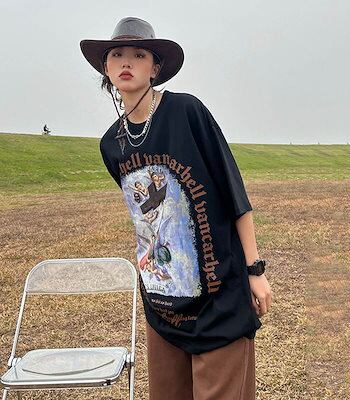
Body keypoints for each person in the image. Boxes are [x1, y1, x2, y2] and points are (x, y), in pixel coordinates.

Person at [80, 16, 272, 400]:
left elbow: (234, 193)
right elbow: (145, 218)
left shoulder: (186, 111)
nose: (126, 61)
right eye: (117, 54)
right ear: (106, 67)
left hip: (219, 294)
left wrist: (254, 270)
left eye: (139, 54)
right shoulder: (111, 145)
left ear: (156, 68)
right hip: (162, 301)